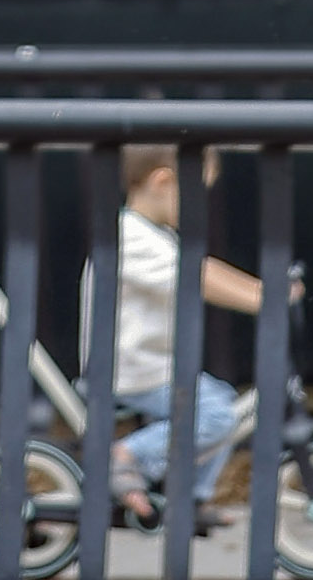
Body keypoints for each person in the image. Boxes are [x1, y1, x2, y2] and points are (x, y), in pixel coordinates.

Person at [101, 146, 262, 524]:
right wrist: (260, 298)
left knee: (223, 407)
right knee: (217, 417)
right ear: (163, 182)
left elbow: (203, 267)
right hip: (133, 370)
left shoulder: (151, 234)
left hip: (152, 367)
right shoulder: (130, 237)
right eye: (197, 193)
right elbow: (197, 277)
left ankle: (189, 498)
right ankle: (127, 456)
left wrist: (260, 290)